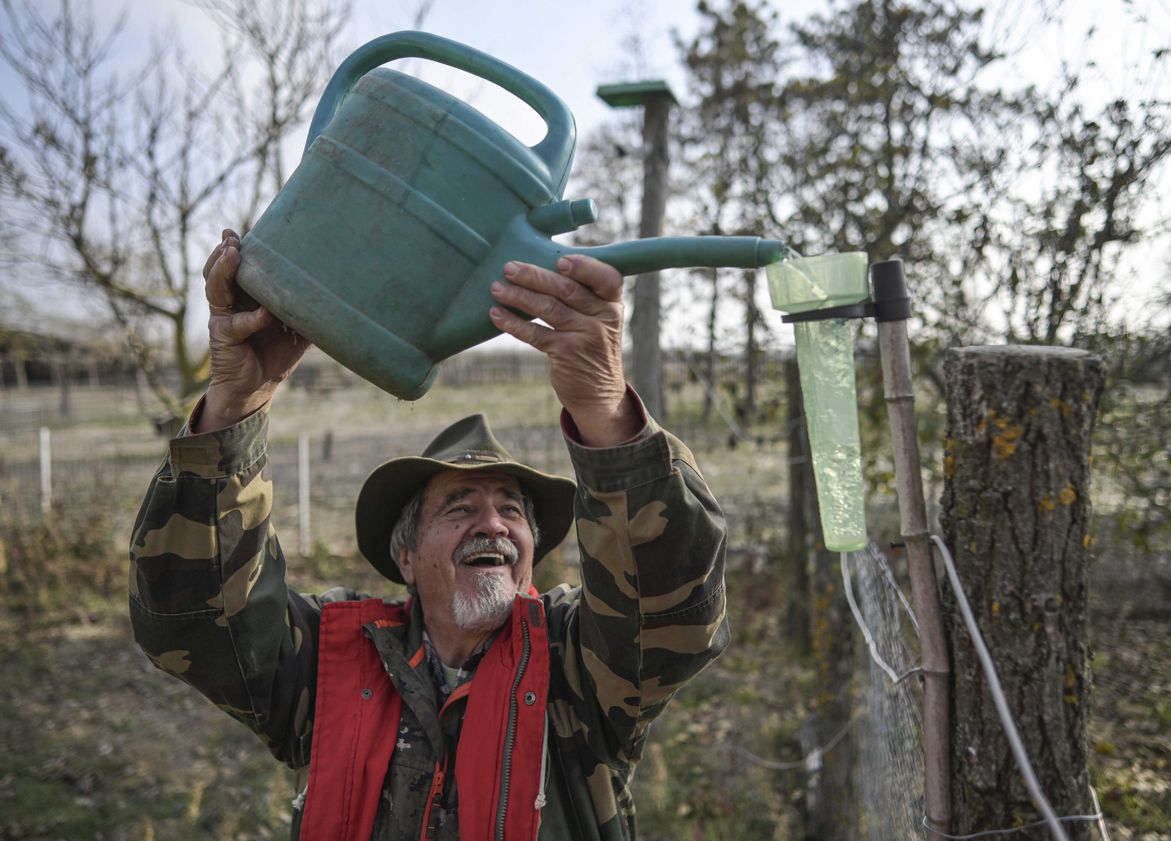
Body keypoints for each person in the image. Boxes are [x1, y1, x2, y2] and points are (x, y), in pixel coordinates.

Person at [129, 230, 729, 841]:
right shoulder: (326, 663)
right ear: (407, 556)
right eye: (459, 507)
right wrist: (235, 402)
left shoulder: (578, 667)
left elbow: (670, 611)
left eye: (511, 510)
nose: (491, 523)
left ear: (531, 556)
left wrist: (604, 408)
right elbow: (196, 620)